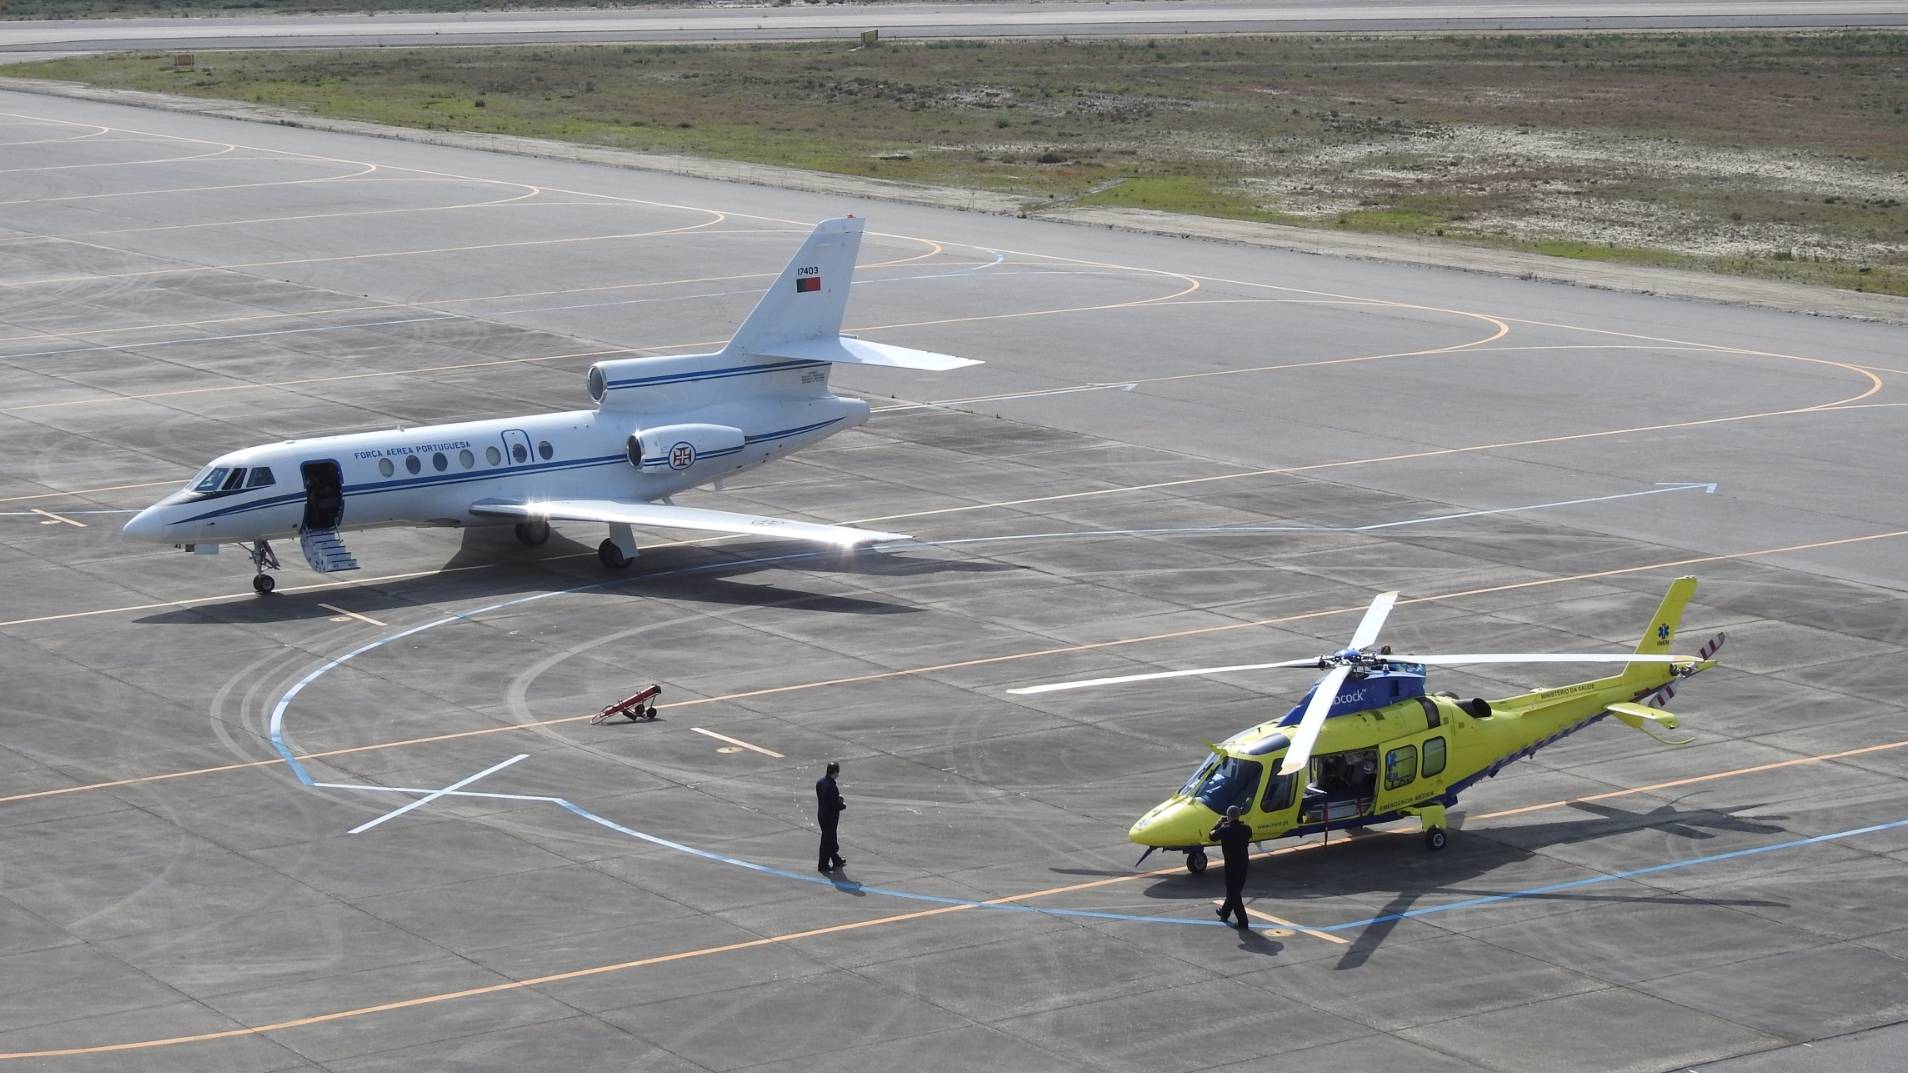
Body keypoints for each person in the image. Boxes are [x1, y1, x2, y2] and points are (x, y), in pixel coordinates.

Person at [1210, 804, 1254, 928]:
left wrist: (1219, 823)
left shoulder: (1224, 829)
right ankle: (1224, 913)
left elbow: (1211, 836)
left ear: (1228, 816)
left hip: (1231, 865)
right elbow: (1247, 833)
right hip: (1243, 864)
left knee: (1234, 893)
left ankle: (1243, 922)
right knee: (1234, 891)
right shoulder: (1246, 829)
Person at [815, 761, 847, 874]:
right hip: (829, 818)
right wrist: (842, 804)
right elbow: (834, 804)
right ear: (834, 773)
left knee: (830, 839)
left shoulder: (820, 782)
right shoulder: (832, 787)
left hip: (822, 815)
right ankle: (823, 865)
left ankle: (836, 859)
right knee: (827, 841)